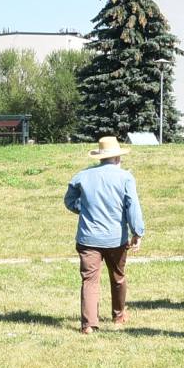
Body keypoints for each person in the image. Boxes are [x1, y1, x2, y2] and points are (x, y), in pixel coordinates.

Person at [65, 135, 145, 334]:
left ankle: (89, 325)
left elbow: (69, 200)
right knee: (118, 277)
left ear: (100, 157)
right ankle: (118, 316)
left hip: (87, 238)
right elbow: (132, 206)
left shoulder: (82, 176)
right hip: (115, 238)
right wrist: (138, 232)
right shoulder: (125, 177)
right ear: (117, 158)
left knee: (89, 280)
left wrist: (82, 208)